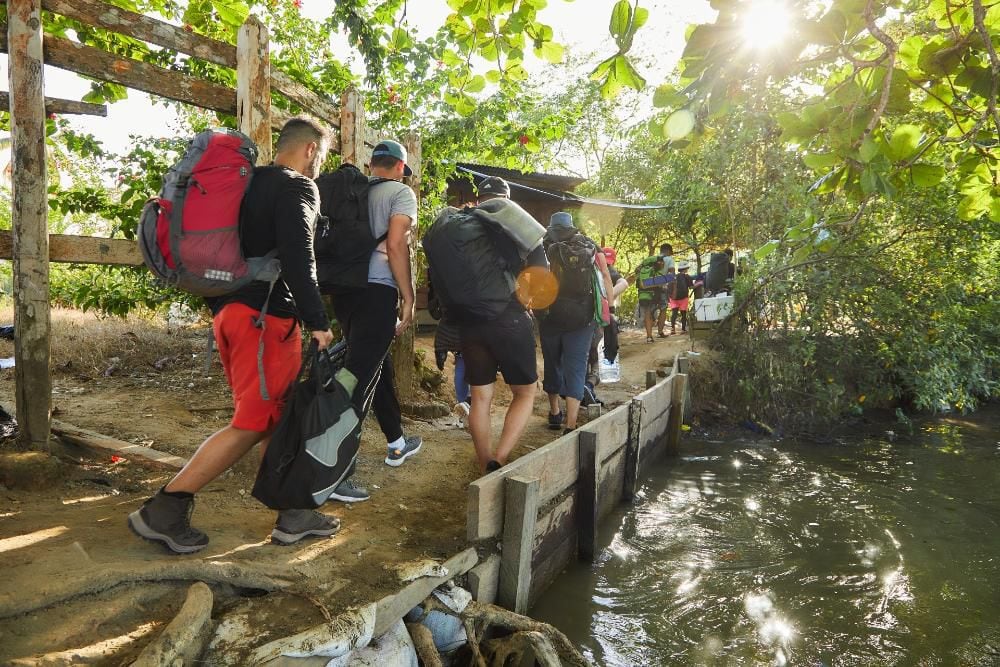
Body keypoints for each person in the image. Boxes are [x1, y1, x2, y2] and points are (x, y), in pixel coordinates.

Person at [127, 117, 337, 553]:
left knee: (275, 416)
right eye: (323, 154)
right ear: (310, 149)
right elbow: (299, 256)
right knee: (253, 422)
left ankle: (293, 513)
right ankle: (165, 508)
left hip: (233, 315)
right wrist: (318, 321)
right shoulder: (298, 186)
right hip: (266, 320)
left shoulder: (245, 184)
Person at [327, 140, 423, 487]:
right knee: (357, 377)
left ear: (371, 165)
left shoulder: (350, 192)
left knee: (373, 366)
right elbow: (396, 245)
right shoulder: (401, 193)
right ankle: (331, 471)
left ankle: (396, 442)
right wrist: (408, 296)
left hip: (344, 291)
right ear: (399, 167)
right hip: (377, 292)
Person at [450, 176, 549, 471]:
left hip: (470, 322)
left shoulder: (464, 224)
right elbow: (541, 270)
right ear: (506, 199)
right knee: (525, 392)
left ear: (480, 198)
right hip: (509, 317)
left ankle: (484, 462)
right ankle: (500, 458)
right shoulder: (517, 223)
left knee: (480, 396)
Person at [539, 212, 614, 434]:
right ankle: (571, 424)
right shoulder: (589, 245)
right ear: (571, 226)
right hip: (582, 318)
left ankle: (555, 413)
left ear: (551, 227)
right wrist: (610, 309)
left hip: (550, 316)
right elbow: (605, 277)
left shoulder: (541, 245)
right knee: (577, 367)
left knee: (552, 363)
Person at [635, 253, 665, 343]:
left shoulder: (640, 271)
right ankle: (654, 334)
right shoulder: (654, 271)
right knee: (652, 315)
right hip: (653, 295)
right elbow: (660, 284)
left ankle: (649, 337)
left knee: (647, 314)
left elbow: (639, 284)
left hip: (642, 295)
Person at [657, 243, 676, 337]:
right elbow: (672, 274)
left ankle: (649, 335)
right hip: (661, 288)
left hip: (649, 287)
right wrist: (673, 288)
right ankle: (660, 332)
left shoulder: (653, 259)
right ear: (668, 251)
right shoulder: (669, 259)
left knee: (649, 310)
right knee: (663, 309)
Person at [670, 261, 693, 334]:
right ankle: (683, 329)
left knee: (674, 313)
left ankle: (672, 329)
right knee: (683, 314)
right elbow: (691, 287)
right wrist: (699, 283)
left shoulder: (674, 276)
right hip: (684, 298)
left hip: (673, 298)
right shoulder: (687, 276)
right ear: (685, 269)